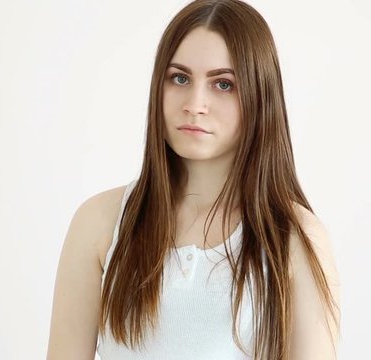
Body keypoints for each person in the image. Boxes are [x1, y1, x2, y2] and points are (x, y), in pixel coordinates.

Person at [46, 0, 341, 359]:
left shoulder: (294, 239)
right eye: (180, 78)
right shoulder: (101, 223)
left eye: (223, 84)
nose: (195, 103)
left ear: (260, 96)